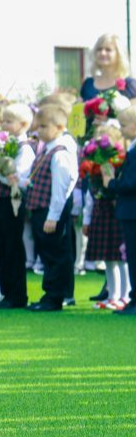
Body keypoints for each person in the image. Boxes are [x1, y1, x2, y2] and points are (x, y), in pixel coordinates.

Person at [103, 105, 136, 315]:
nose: (121, 129)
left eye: (124, 125)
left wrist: (111, 183)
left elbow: (131, 183)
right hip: (134, 211)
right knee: (135, 257)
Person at [25, 105, 78, 312]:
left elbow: (61, 188)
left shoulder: (59, 153)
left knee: (54, 253)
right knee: (47, 253)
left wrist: (53, 216)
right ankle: (51, 293)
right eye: (38, 127)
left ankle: (55, 296)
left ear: (59, 127)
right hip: (42, 209)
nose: (39, 131)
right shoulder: (48, 149)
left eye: (44, 127)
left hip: (49, 210)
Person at [84, 125, 129, 311]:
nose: (100, 139)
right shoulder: (94, 163)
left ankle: (126, 296)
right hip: (102, 208)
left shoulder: (121, 160)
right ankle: (113, 295)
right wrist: (86, 219)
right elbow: (90, 193)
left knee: (121, 257)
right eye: (98, 137)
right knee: (109, 257)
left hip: (116, 210)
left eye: (105, 136)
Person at [0, 104, 36, 309]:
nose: (4, 125)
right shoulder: (7, 145)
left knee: (13, 246)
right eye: (3, 120)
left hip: (13, 202)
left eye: (8, 122)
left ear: (23, 125)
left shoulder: (25, 149)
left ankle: (17, 294)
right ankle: (7, 291)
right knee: (4, 247)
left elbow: (18, 179)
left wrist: (4, 176)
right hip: (3, 200)